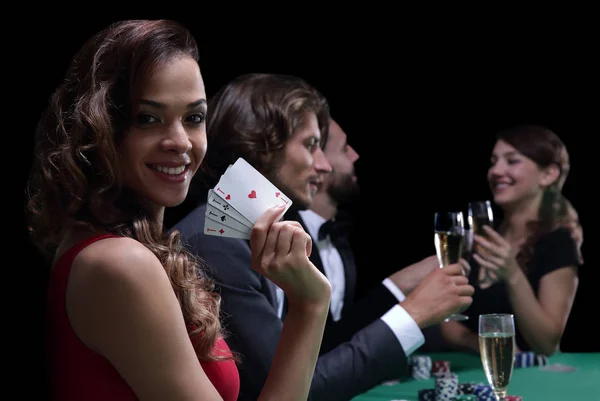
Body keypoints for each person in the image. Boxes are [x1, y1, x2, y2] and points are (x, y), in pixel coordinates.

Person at [25, 20, 331, 401]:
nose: (180, 141)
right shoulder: (119, 264)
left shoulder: (115, 248)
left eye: (194, 117)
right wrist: (310, 305)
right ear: (99, 127)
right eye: (148, 118)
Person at [173, 72, 475, 401]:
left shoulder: (273, 234)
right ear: (262, 146)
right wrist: (413, 315)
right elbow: (302, 389)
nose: (325, 165)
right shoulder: (215, 242)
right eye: (311, 145)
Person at [288, 118, 451, 353]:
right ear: (316, 161)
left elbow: (341, 334)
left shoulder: (338, 237)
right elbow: (314, 346)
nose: (355, 155)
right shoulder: (287, 238)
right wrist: (398, 287)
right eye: (344, 148)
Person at [440, 124, 584, 356]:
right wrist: (477, 343)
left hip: (529, 380)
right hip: (471, 372)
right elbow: (445, 318)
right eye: (493, 161)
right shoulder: (483, 234)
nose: (496, 171)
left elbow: (546, 344)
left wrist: (512, 274)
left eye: (512, 161)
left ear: (548, 174)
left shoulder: (557, 243)